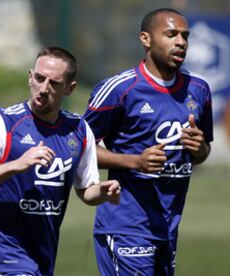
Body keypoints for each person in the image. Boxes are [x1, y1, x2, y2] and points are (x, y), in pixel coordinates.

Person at [0, 46, 121, 275]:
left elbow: (86, 190)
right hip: (2, 253)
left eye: (54, 83)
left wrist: (103, 192)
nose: (43, 88)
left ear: (70, 88)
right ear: (29, 77)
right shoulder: (2, 123)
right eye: (39, 78)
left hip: (43, 254)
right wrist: (18, 164)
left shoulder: (79, 130)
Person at [83, 8, 213, 275]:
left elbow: (203, 152)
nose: (180, 42)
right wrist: (135, 161)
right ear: (146, 38)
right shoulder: (119, 89)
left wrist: (200, 148)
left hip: (168, 226)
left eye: (185, 36)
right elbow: (77, 148)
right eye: (171, 34)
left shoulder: (199, 89)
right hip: (126, 226)